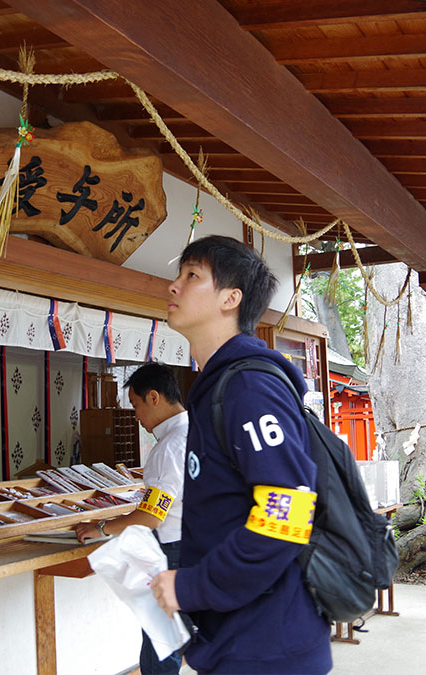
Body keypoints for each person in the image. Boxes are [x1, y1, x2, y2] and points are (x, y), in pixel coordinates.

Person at [150, 235, 331, 674]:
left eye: (192, 276)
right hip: (238, 642)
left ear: (232, 298)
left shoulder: (248, 387)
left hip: (269, 647)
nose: (173, 286)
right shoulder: (219, 385)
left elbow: (287, 512)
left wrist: (191, 586)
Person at [75, 361, 188, 675]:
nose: (135, 417)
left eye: (136, 406)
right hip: (196, 545)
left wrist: (101, 528)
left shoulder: (170, 447)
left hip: (174, 550)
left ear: (154, 398)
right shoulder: (197, 432)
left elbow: (152, 515)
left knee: (161, 645)